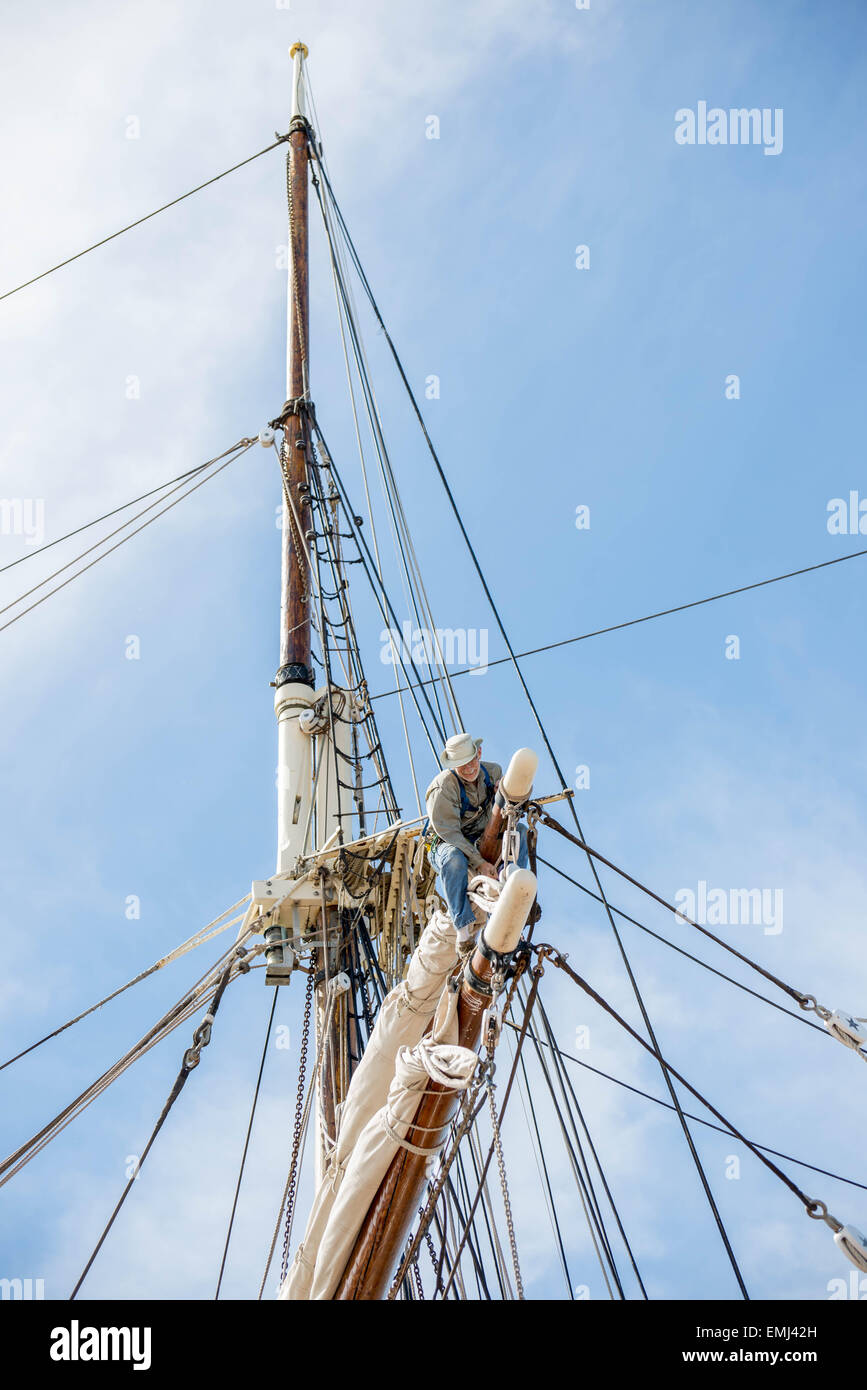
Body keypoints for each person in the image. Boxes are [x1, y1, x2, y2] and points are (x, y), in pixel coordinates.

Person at [424, 732, 530, 945]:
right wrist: (479, 862)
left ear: (479, 753)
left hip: (480, 836)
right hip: (445, 843)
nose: (469, 768)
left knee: (519, 831)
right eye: (461, 765)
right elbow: (450, 833)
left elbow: (507, 814)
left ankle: (513, 888)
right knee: (455, 859)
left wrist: (508, 796)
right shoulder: (443, 788)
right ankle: (462, 929)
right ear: (453, 765)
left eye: (471, 761)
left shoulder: (493, 773)